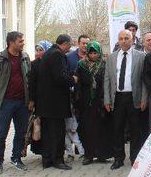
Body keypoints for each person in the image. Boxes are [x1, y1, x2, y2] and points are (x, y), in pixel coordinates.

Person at [0, 31, 31, 174]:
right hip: (5, 102)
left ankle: (16, 157)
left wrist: (30, 99)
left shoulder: (25, 57)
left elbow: (29, 78)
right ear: (11, 43)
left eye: (23, 41)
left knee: (21, 132)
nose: (23, 43)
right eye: (20, 41)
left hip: (22, 102)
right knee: (1, 133)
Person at [104, 30, 148, 169]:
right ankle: (118, 158)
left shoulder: (141, 56)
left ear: (132, 39)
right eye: (121, 38)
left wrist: (144, 99)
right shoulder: (111, 57)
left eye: (127, 38)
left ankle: (135, 158)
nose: (124, 41)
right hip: (117, 98)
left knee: (136, 130)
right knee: (117, 129)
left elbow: (144, 80)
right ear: (118, 40)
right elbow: (107, 80)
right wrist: (107, 99)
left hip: (134, 97)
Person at [35, 35, 76, 170]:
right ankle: (58, 160)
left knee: (47, 133)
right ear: (64, 44)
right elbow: (59, 77)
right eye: (69, 45)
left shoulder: (48, 54)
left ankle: (47, 160)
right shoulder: (57, 55)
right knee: (57, 133)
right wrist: (73, 79)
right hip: (56, 104)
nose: (70, 49)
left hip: (45, 103)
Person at [75, 41, 111, 164]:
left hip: (100, 102)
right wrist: (78, 101)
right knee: (86, 129)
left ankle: (102, 155)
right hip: (86, 103)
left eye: (95, 53)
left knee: (101, 129)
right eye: (91, 53)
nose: (93, 55)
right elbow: (78, 84)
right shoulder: (81, 65)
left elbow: (107, 83)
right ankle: (88, 155)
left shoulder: (104, 65)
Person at [65, 34, 90, 160]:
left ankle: (84, 150)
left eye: (87, 43)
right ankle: (71, 152)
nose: (85, 45)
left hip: (86, 97)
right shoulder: (69, 58)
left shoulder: (92, 56)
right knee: (72, 125)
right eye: (83, 43)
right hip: (72, 96)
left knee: (83, 123)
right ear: (78, 43)